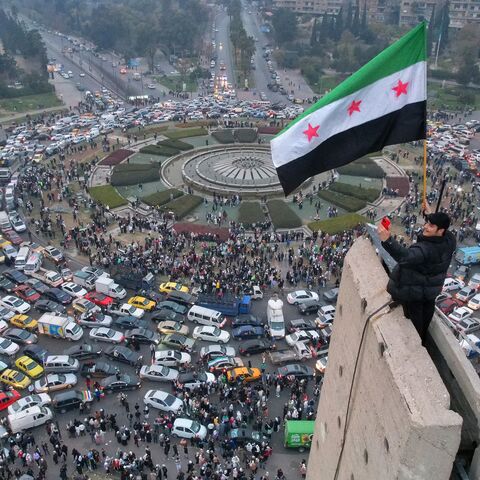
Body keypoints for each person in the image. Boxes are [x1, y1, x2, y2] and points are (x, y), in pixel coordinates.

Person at [378, 210, 456, 345]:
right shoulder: (449, 240)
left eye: (431, 225)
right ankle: (422, 341)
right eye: (427, 222)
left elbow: (405, 257)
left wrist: (387, 240)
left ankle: (416, 346)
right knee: (425, 319)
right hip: (430, 292)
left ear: (440, 230)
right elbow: (444, 229)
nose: (425, 226)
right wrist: (431, 214)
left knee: (415, 326)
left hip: (414, 293)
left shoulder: (425, 249)